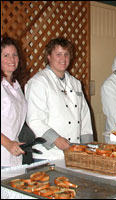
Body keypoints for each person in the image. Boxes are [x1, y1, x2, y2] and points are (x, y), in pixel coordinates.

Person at [25, 38, 93, 161]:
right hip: (48, 154)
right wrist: (56, 139)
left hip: (75, 152)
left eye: (66, 54)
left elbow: (84, 116)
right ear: (49, 56)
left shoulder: (75, 83)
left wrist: (86, 145)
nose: (63, 59)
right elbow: (34, 119)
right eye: (58, 54)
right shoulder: (38, 82)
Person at [1, 36, 27, 168]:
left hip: (15, 156)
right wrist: (7, 144)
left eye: (14, 54)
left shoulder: (16, 85)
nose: (11, 59)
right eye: (6, 55)